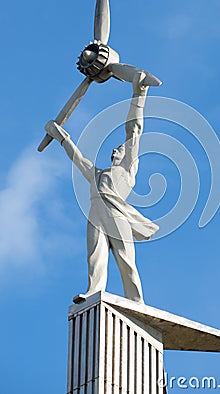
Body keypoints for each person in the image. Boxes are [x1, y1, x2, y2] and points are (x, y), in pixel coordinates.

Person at [45, 72, 159, 304]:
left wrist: (139, 93)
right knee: (95, 256)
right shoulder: (97, 173)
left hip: (116, 213)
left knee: (125, 258)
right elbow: (78, 159)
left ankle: (136, 301)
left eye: (119, 148)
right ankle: (94, 291)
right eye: (116, 149)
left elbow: (134, 130)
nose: (115, 150)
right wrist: (60, 136)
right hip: (96, 212)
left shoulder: (127, 169)